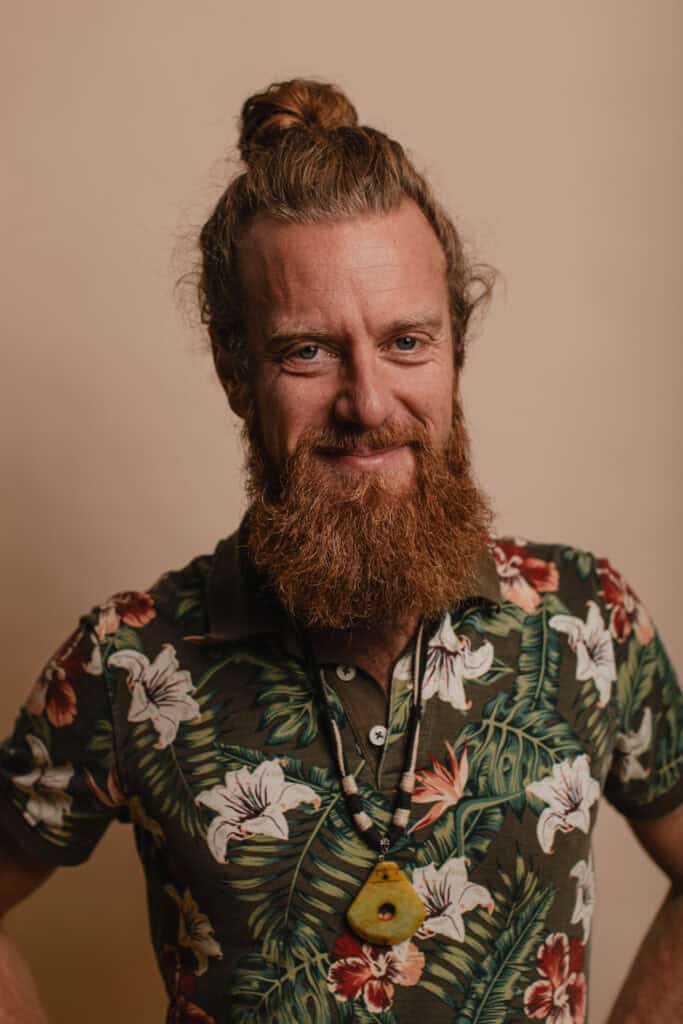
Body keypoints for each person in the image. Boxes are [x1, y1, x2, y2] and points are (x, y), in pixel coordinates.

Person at [1, 78, 681, 1024]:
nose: (367, 402)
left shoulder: (587, 618)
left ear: (454, 352)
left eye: (406, 341)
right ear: (237, 370)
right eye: (307, 352)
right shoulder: (129, 661)